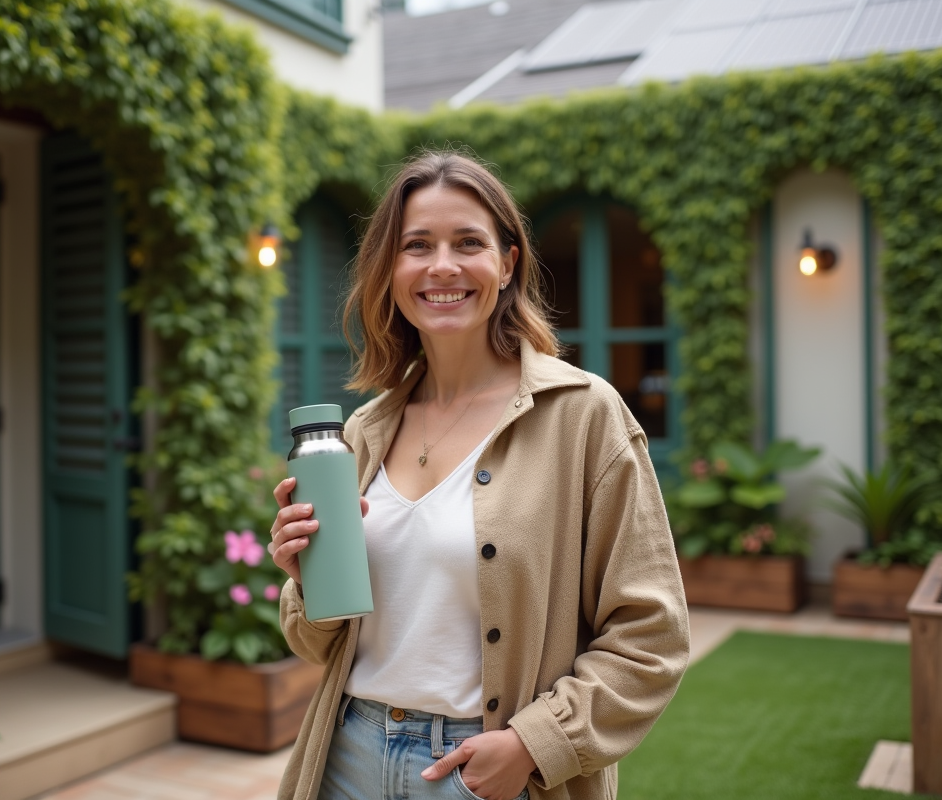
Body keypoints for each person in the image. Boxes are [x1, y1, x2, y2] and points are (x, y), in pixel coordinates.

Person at [269, 150, 690, 800]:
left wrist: (533, 744)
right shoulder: (363, 433)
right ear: (390, 269)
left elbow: (652, 635)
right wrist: (306, 579)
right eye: (417, 245)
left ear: (507, 263)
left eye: (468, 242)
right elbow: (317, 643)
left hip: (484, 772)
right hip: (346, 757)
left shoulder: (583, 417)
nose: (442, 266)